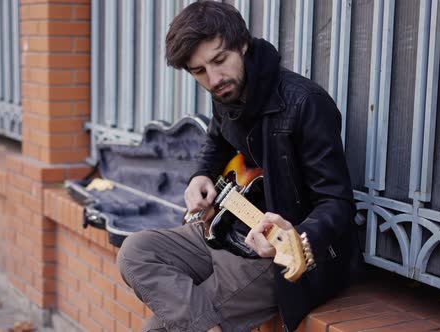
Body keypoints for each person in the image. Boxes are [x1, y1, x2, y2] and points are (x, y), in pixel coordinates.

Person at [117, 2, 363, 331]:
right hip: (225, 229)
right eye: (199, 71)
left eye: (219, 60)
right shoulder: (227, 92)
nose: (214, 78)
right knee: (134, 250)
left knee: (158, 329)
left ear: (242, 44)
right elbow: (217, 139)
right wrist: (201, 174)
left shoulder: (306, 103)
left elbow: (338, 202)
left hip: (271, 255)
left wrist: (298, 236)